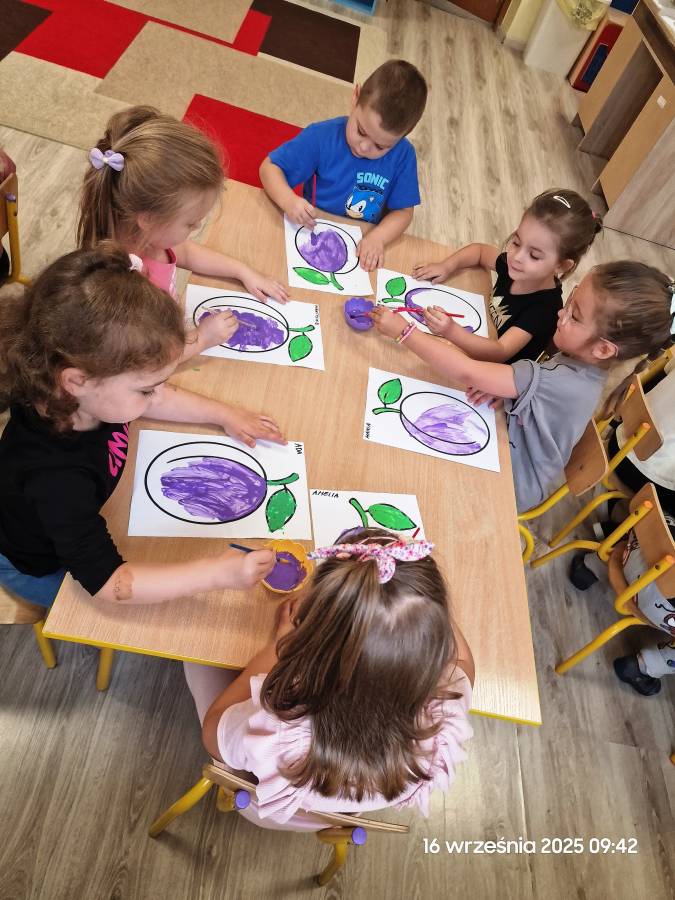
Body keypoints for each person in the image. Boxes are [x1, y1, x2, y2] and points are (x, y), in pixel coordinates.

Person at [0, 245, 282, 608]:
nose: (155, 396)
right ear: (77, 381)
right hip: (38, 567)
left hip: (89, 519)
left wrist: (226, 414)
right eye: (145, 389)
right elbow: (111, 583)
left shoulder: (86, 395)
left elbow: (159, 399)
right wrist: (217, 575)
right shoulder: (57, 480)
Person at [184, 528, 474, 830]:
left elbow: (212, 734)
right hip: (336, 815)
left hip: (268, 803)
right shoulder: (444, 715)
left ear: (309, 635)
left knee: (197, 656)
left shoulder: (278, 729)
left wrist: (277, 648)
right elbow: (465, 663)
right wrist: (422, 606)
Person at [370, 261, 674, 513]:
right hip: (511, 441)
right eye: (570, 300)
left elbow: (466, 371)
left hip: (511, 483)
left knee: (405, 475)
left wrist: (404, 332)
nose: (561, 313)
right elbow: (539, 407)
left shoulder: (563, 382)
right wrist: (510, 397)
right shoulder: (585, 366)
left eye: (575, 315)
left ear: (603, 349)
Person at [78, 106, 288, 362]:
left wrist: (243, 271)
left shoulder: (147, 236)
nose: (197, 227)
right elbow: (146, 365)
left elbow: (186, 252)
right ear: (148, 219)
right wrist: (203, 338)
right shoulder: (126, 291)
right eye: (190, 223)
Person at [259, 59, 428, 272]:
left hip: (364, 241)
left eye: (380, 146)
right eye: (361, 131)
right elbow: (269, 168)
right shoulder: (321, 136)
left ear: (402, 137)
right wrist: (289, 201)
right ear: (355, 97)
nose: (364, 147)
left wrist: (379, 238)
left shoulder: (403, 155)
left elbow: (403, 212)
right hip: (314, 230)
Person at [413, 189, 601, 364]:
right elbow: (479, 251)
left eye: (534, 255)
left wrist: (451, 331)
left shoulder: (545, 310)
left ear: (561, 265)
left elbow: (500, 351)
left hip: (493, 370)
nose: (517, 257)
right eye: (517, 243)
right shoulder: (515, 266)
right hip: (478, 337)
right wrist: (447, 266)